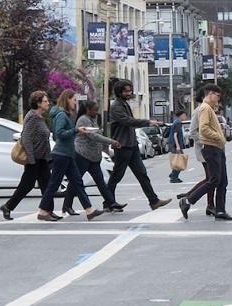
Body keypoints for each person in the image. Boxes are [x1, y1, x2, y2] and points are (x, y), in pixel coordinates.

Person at [38, 90, 105, 221]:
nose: (76, 103)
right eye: (74, 100)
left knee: (78, 182)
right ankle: (42, 211)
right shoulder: (62, 115)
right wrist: (76, 130)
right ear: (67, 99)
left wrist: (77, 131)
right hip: (61, 154)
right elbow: (58, 134)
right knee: (54, 183)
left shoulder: (66, 114)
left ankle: (89, 210)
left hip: (68, 154)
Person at [107, 80, 172, 210]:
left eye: (130, 90)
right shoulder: (116, 106)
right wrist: (148, 122)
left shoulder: (124, 104)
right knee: (116, 175)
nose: (129, 93)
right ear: (119, 91)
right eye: (126, 91)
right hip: (122, 145)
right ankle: (108, 202)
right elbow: (127, 121)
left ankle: (153, 201)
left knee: (142, 174)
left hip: (131, 144)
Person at [179, 84, 232, 220]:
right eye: (217, 96)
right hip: (212, 148)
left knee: (222, 181)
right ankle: (188, 200)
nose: (218, 99)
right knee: (214, 180)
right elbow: (203, 129)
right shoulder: (204, 108)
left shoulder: (208, 109)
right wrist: (219, 136)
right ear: (210, 94)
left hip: (216, 148)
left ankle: (220, 210)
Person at [62, 100, 127, 215]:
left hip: (93, 157)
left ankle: (111, 203)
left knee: (100, 181)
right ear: (88, 109)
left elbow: (97, 133)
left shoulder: (92, 119)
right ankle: (67, 206)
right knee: (75, 182)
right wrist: (111, 141)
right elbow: (93, 135)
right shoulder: (83, 119)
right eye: (94, 110)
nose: (96, 112)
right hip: (82, 155)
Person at [1, 91, 57, 221]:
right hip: (35, 159)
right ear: (38, 103)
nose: (48, 103)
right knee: (27, 185)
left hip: (42, 158)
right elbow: (26, 138)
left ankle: (48, 211)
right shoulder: (32, 117)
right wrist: (31, 159)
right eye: (45, 101)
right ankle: (8, 206)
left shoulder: (39, 117)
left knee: (47, 185)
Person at [177, 90, 215, 216]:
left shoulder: (208, 110)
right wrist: (206, 142)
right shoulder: (199, 111)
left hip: (210, 149)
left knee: (211, 178)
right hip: (204, 150)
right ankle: (191, 199)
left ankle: (192, 197)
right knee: (212, 178)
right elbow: (193, 132)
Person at [167, 110, 187, 183]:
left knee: (178, 161)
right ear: (181, 115)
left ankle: (174, 175)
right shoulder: (178, 123)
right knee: (180, 161)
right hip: (175, 145)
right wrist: (178, 146)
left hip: (174, 145)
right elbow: (175, 135)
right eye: (184, 115)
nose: (185, 117)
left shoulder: (176, 122)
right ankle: (173, 176)